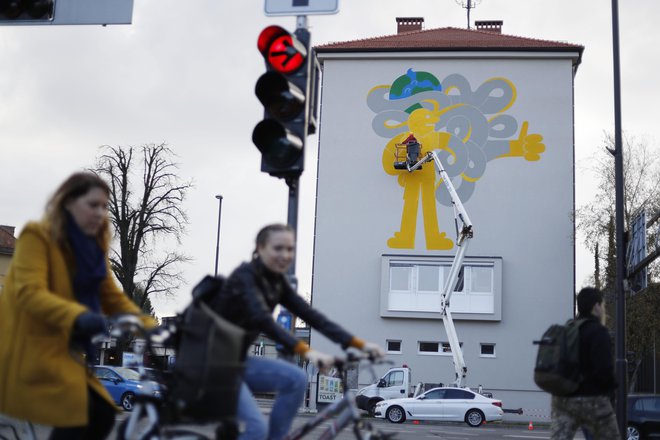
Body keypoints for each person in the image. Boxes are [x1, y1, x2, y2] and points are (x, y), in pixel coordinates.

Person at [0, 172, 155, 440]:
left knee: (98, 414)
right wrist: (78, 317)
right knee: (89, 413)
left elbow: (111, 297)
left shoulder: (94, 249)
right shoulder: (37, 237)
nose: (100, 212)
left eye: (105, 207)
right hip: (27, 347)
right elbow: (29, 292)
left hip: (66, 351)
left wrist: (151, 327)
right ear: (69, 202)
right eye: (93, 205)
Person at [212, 223, 384, 440]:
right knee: (256, 430)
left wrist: (359, 344)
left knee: (297, 378)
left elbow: (314, 318)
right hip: (213, 366)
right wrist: (307, 351)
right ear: (260, 248)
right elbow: (262, 319)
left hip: (238, 363)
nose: (285, 255)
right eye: (278, 248)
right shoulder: (244, 277)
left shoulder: (276, 283)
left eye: (290, 249)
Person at [550, 287, 619, 440]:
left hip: (563, 400)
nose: (603, 309)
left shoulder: (567, 330)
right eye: (603, 305)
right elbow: (605, 371)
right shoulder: (598, 332)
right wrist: (611, 395)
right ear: (596, 306)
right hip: (592, 400)